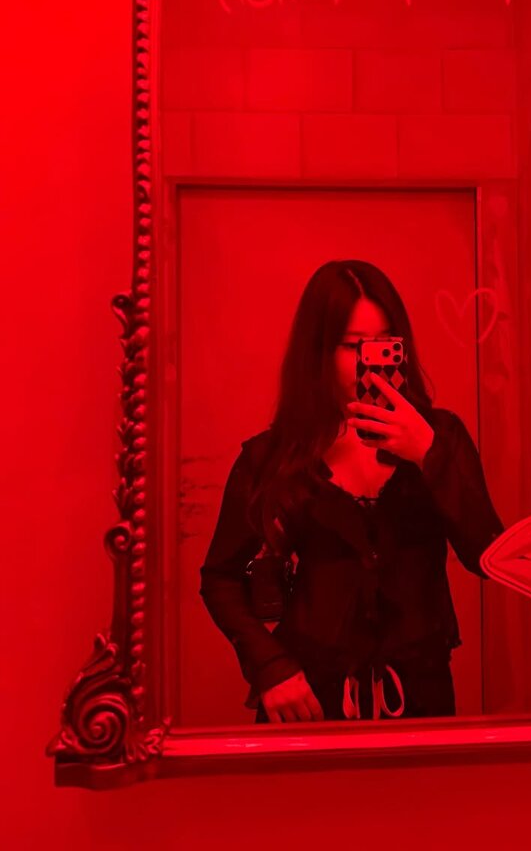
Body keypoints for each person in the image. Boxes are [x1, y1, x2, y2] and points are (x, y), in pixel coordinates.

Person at [199, 259, 505, 723]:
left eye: (385, 341)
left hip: (421, 695)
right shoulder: (274, 455)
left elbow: (487, 556)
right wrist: (269, 666)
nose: (371, 358)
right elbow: (220, 577)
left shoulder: (441, 437)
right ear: (319, 352)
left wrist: (427, 455)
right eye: (353, 345)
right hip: (308, 696)